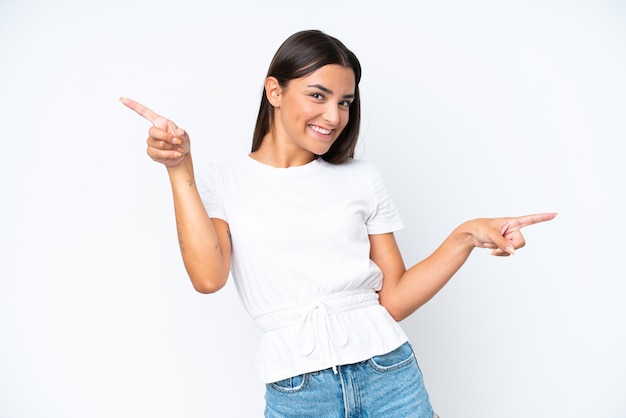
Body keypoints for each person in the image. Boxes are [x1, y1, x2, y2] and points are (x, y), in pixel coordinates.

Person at [120, 29, 555, 418]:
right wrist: (179, 168)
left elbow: (395, 298)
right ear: (274, 90)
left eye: (344, 102)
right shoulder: (223, 183)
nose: (333, 116)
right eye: (318, 95)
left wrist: (465, 235)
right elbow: (208, 277)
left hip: (391, 376)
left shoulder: (360, 178)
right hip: (298, 392)